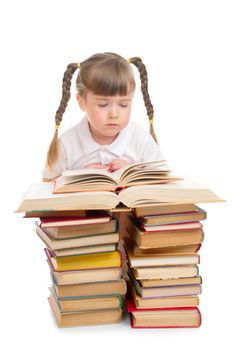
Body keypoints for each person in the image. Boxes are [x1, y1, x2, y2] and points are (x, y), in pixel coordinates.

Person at [42, 52, 165, 181]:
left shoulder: (141, 139)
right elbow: (46, 186)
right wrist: (78, 178)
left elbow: (164, 180)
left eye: (123, 104)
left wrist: (133, 173)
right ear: (82, 102)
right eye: (103, 104)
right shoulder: (67, 143)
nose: (114, 114)